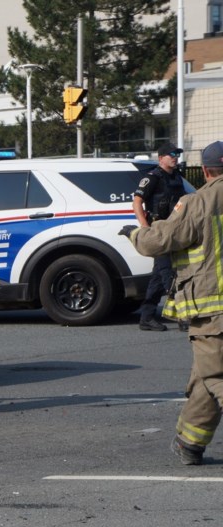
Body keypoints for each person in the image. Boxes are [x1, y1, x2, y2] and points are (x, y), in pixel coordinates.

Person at [120, 141, 223, 465]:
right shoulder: (166, 184)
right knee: (205, 377)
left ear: (206, 171)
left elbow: (160, 240)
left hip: (213, 313)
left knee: (216, 376)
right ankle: (189, 443)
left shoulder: (199, 202)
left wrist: (134, 234)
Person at [132, 142, 188, 332]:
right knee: (169, 276)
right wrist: (145, 228)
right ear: (161, 157)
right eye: (171, 154)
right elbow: (137, 202)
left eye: (177, 154)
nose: (175, 157)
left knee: (158, 277)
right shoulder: (152, 177)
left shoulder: (177, 177)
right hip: (158, 231)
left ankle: (146, 318)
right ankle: (183, 317)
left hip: (173, 231)